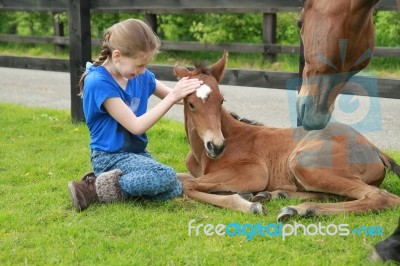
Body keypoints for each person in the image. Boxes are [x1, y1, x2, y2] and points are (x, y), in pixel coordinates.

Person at [67, 18, 203, 211]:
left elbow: (177, 96)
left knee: (171, 185)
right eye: (139, 65)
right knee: (165, 177)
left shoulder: (139, 75)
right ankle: (95, 189)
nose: (142, 71)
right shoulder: (98, 82)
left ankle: (109, 185)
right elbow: (136, 125)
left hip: (136, 154)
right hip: (109, 157)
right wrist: (173, 96)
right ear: (117, 56)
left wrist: (198, 90)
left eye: (145, 65)